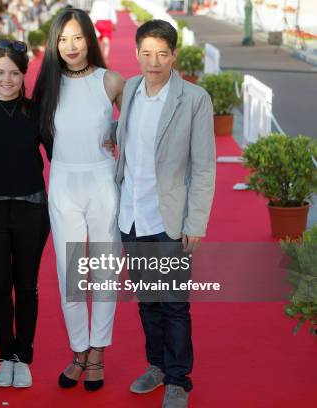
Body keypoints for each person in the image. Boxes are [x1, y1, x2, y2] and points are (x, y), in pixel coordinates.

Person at [114, 20, 215, 408]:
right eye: (146, 53)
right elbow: (132, 138)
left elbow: (204, 166)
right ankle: (156, 366)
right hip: (131, 215)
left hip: (168, 219)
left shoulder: (194, 100)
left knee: (173, 303)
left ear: (174, 55)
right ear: (136, 53)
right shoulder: (132, 89)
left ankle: (177, 379)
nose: (153, 61)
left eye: (161, 54)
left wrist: (196, 223)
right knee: (147, 300)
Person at [32, 8, 124, 392]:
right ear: (55, 43)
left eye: (78, 37)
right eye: (63, 38)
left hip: (102, 182)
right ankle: (78, 351)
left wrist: (117, 129)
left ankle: (98, 351)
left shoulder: (112, 81)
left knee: (104, 270)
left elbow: (141, 121)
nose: (70, 46)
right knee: (71, 276)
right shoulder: (48, 85)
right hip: (64, 183)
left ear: (90, 39)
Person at [0, 39, 50, 389]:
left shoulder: (36, 112)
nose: (7, 80)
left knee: (27, 286)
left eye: (14, 73)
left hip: (31, 208)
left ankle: (24, 356)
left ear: (24, 74)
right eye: (0, 72)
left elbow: (59, 156)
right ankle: (5, 355)